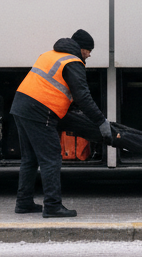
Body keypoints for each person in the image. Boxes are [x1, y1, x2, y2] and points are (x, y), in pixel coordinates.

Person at [11, 30, 113, 218]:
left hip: (20, 105)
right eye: (88, 50)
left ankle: (24, 202)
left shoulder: (50, 55)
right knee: (51, 159)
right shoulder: (73, 62)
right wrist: (101, 121)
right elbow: (83, 96)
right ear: (81, 49)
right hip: (40, 111)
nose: (89, 54)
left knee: (30, 159)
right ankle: (52, 206)